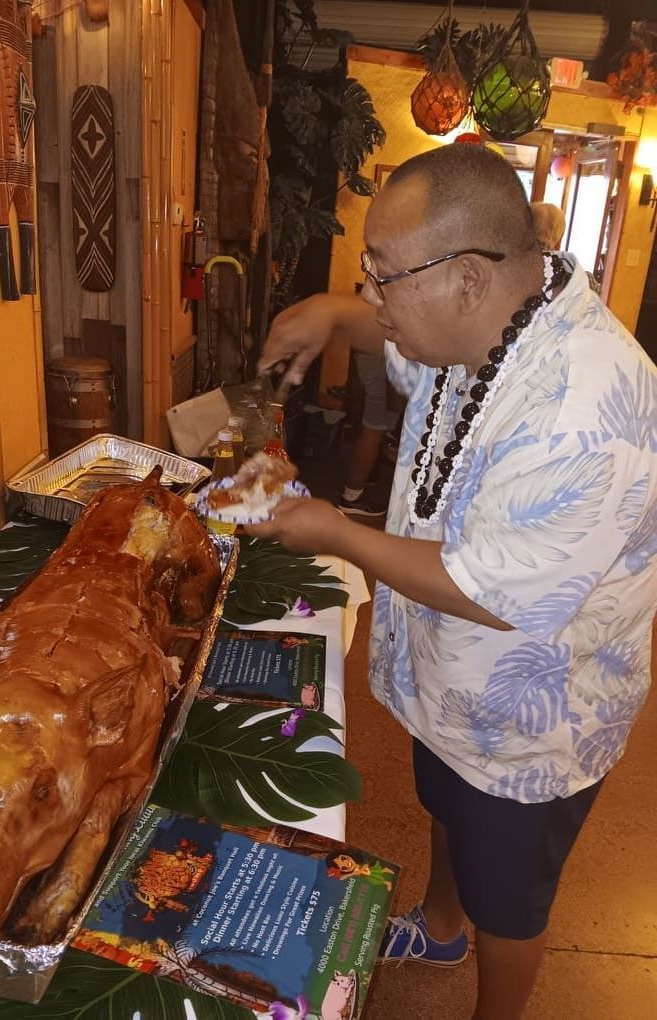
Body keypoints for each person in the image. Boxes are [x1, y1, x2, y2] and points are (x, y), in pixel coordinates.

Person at [249, 144, 657, 1020]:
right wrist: (332, 312)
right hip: (452, 685)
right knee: (442, 798)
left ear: (467, 277)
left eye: (380, 277)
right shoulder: (481, 317)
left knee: (508, 895)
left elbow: (490, 591)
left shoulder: (584, 411)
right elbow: (399, 344)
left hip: (528, 721)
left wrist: (329, 530)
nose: (371, 298)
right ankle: (439, 922)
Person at [338, 350, 401, 518]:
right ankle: (352, 496)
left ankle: (361, 481)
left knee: (374, 426)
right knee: (374, 429)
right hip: (382, 359)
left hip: (373, 355)